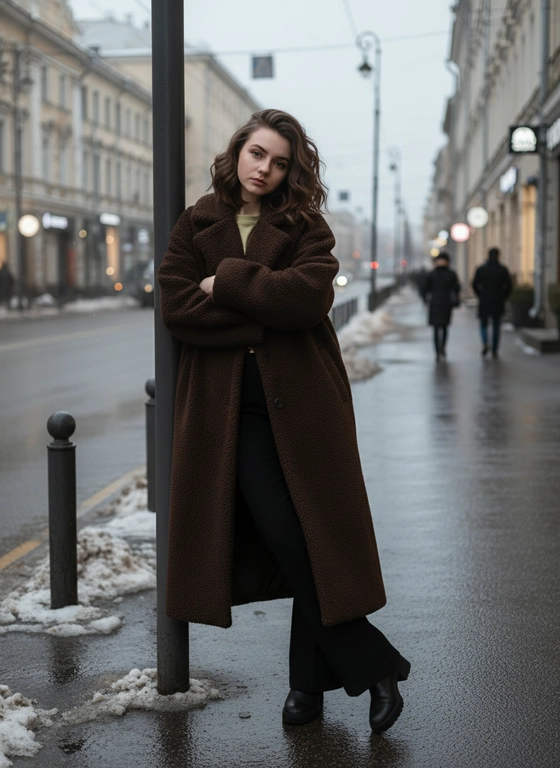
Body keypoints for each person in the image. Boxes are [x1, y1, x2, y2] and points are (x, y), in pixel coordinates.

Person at [158, 109, 410, 732]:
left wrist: (230, 284)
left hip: (304, 410)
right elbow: (178, 305)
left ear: (291, 171)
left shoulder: (305, 225)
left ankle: (306, 692)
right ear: (237, 151)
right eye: (257, 154)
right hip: (227, 415)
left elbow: (309, 298)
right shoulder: (198, 221)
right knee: (292, 540)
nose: (265, 169)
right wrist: (260, 304)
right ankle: (371, 663)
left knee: (312, 540)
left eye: (278, 162)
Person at [472, 247, 512, 358]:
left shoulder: (481, 269)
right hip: (498, 301)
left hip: (484, 301)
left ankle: (485, 342)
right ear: (498, 256)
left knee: (483, 324)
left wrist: (480, 294)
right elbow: (509, 286)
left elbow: (474, 284)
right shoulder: (502, 269)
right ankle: (494, 349)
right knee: (496, 325)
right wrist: (503, 296)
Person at [421, 252, 461, 361]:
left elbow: (457, 287)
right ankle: (438, 351)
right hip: (436, 304)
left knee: (444, 327)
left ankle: (442, 349)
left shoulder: (450, 274)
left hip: (444, 304)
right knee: (436, 328)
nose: (441, 262)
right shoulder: (432, 274)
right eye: (439, 260)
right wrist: (425, 299)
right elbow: (425, 288)